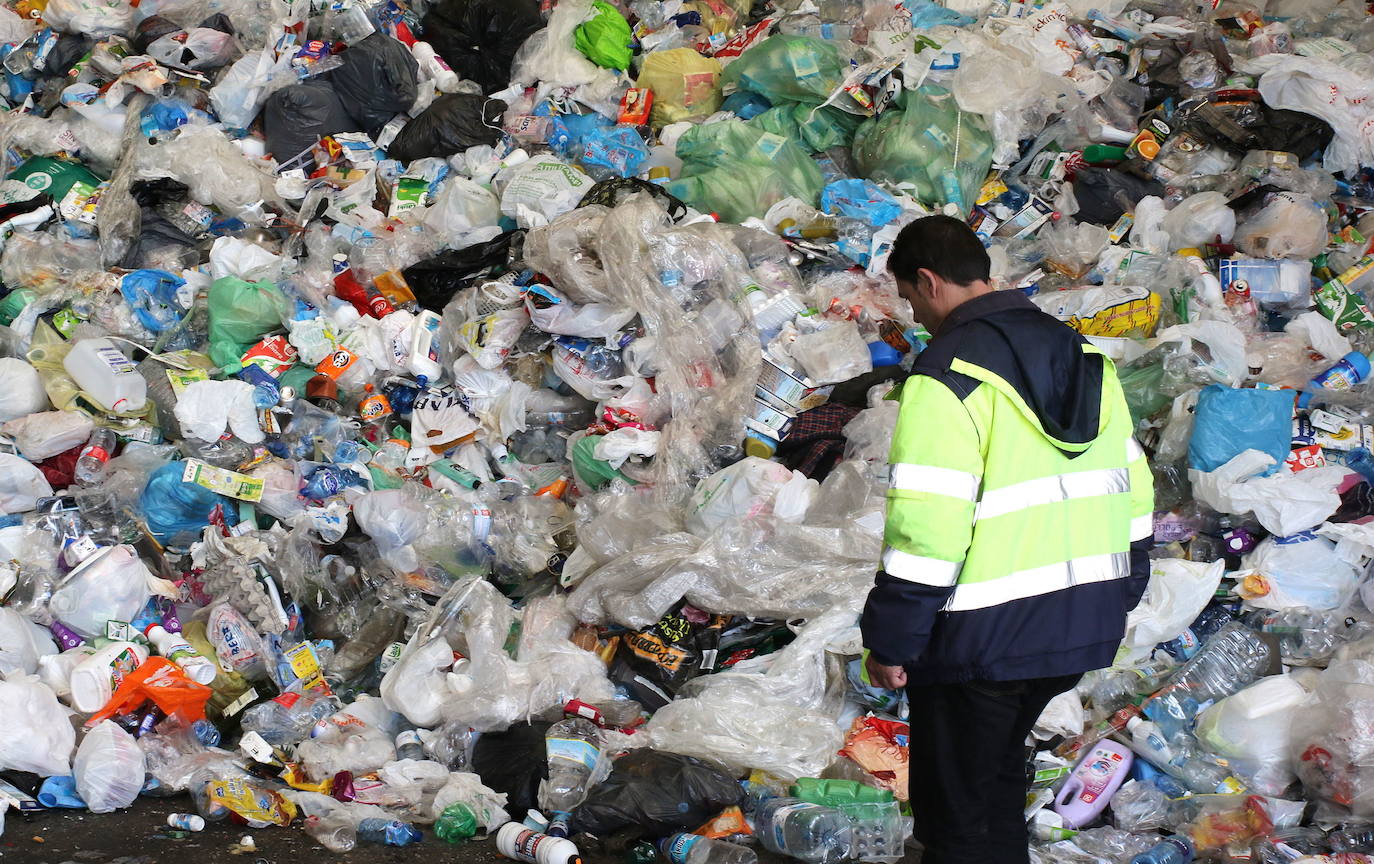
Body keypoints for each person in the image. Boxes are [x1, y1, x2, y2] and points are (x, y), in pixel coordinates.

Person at [860, 215, 1154, 864]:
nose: (915, 315)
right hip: (1078, 622)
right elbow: (1133, 485)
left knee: (954, 817)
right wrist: (1124, 589)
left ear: (929, 282)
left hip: (983, 638)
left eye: (910, 299)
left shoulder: (945, 373)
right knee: (993, 780)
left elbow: (927, 528)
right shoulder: (1083, 356)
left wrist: (891, 639)